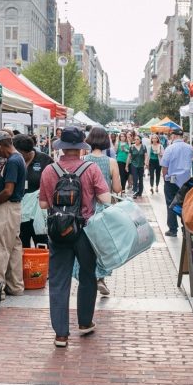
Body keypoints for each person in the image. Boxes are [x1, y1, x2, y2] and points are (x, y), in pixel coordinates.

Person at [39, 127, 112, 347]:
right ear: (81, 147)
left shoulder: (49, 170)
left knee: (59, 281)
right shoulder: (90, 168)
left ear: (61, 147)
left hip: (58, 232)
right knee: (88, 276)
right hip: (85, 231)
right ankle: (84, 323)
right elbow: (106, 199)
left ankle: (61, 334)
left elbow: (43, 204)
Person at [72, 127, 122, 295]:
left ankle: (87, 277)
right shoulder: (111, 162)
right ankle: (100, 278)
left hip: (85, 208)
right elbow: (117, 188)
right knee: (101, 247)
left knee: (86, 245)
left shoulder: (82, 160)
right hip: (104, 210)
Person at [0, 131, 27, 299]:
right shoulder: (16, 159)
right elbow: (0, 184)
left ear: (0, 146)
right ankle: (15, 286)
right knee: (14, 247)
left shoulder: (13, 161)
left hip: (7, 208)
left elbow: (8, 191)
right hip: (13, 208)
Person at [13, 134, 53, 248]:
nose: (18, 156)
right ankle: (23, 266)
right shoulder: (13, 160)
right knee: (21, 244)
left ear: (29, 151)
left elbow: (55, 179)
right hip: (19, 210)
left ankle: (41, 265)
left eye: (21, 153)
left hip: (38, 212)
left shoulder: (44, 159)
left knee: (41, 242)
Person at [160, 128, 193, 237]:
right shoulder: (189, 148)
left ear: (173, 136)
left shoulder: (169, 149)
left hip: (172, 180)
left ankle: (173, 229)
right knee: (185, 203)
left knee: (170, 203)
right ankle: (185, 226)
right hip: (185, 180)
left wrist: (165, 177)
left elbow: (164, 167)